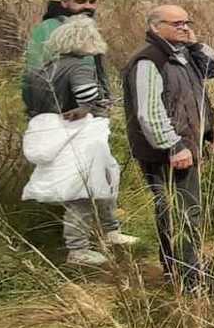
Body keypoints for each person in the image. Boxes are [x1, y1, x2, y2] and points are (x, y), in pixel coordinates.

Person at [21, 15, 136, 265]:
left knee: (101, 183)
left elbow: (31, 104)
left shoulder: (45, 68)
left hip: (54, 136)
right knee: (85, 191)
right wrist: (90, 106)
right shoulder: (80, 66)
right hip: (81, 135)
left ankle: (110, 232)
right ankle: (80, 249)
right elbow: (87, 95)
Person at [122, 5, 214, 290]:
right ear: (155, 27)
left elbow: (211, 70)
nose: (184, 27)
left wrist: (197, 43)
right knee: (181, 213)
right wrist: (174, 146)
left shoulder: (183, 55)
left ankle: (185, 270)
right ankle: (188, 280)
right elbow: (149, 113)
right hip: (168, 154)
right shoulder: (149, 61)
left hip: (188, 147)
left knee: (187, 211)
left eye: (187, 21)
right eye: (176, 23)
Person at [21, 0, 99, 105]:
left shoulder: (87, 26)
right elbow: (36, 73)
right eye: (80, 2)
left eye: (92, 2)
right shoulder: (48, 28)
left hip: (84, 100)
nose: (87, 6)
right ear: (64, 3)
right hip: (57, 106)